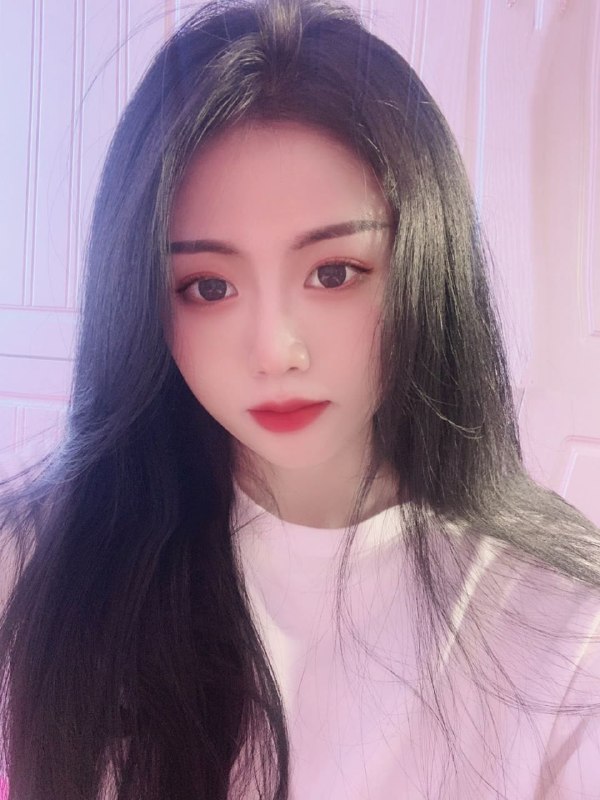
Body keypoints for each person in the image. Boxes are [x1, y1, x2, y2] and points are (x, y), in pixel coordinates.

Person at [1, 0, 599, 797]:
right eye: (208, 287)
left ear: (426, 267)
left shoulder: (560, 625)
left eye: (334, 273)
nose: (275, 352)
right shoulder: (40, 559)